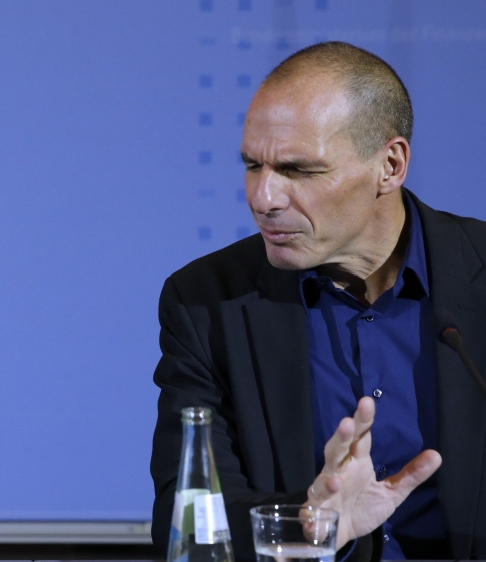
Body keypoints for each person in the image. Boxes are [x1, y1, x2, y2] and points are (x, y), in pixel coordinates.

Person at [151, 41, 486, 561]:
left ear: (390, 165)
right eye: (252, 165)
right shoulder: (205, 303)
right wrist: (308, 521)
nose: (263, 198)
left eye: (298, 170)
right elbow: (189, 517)